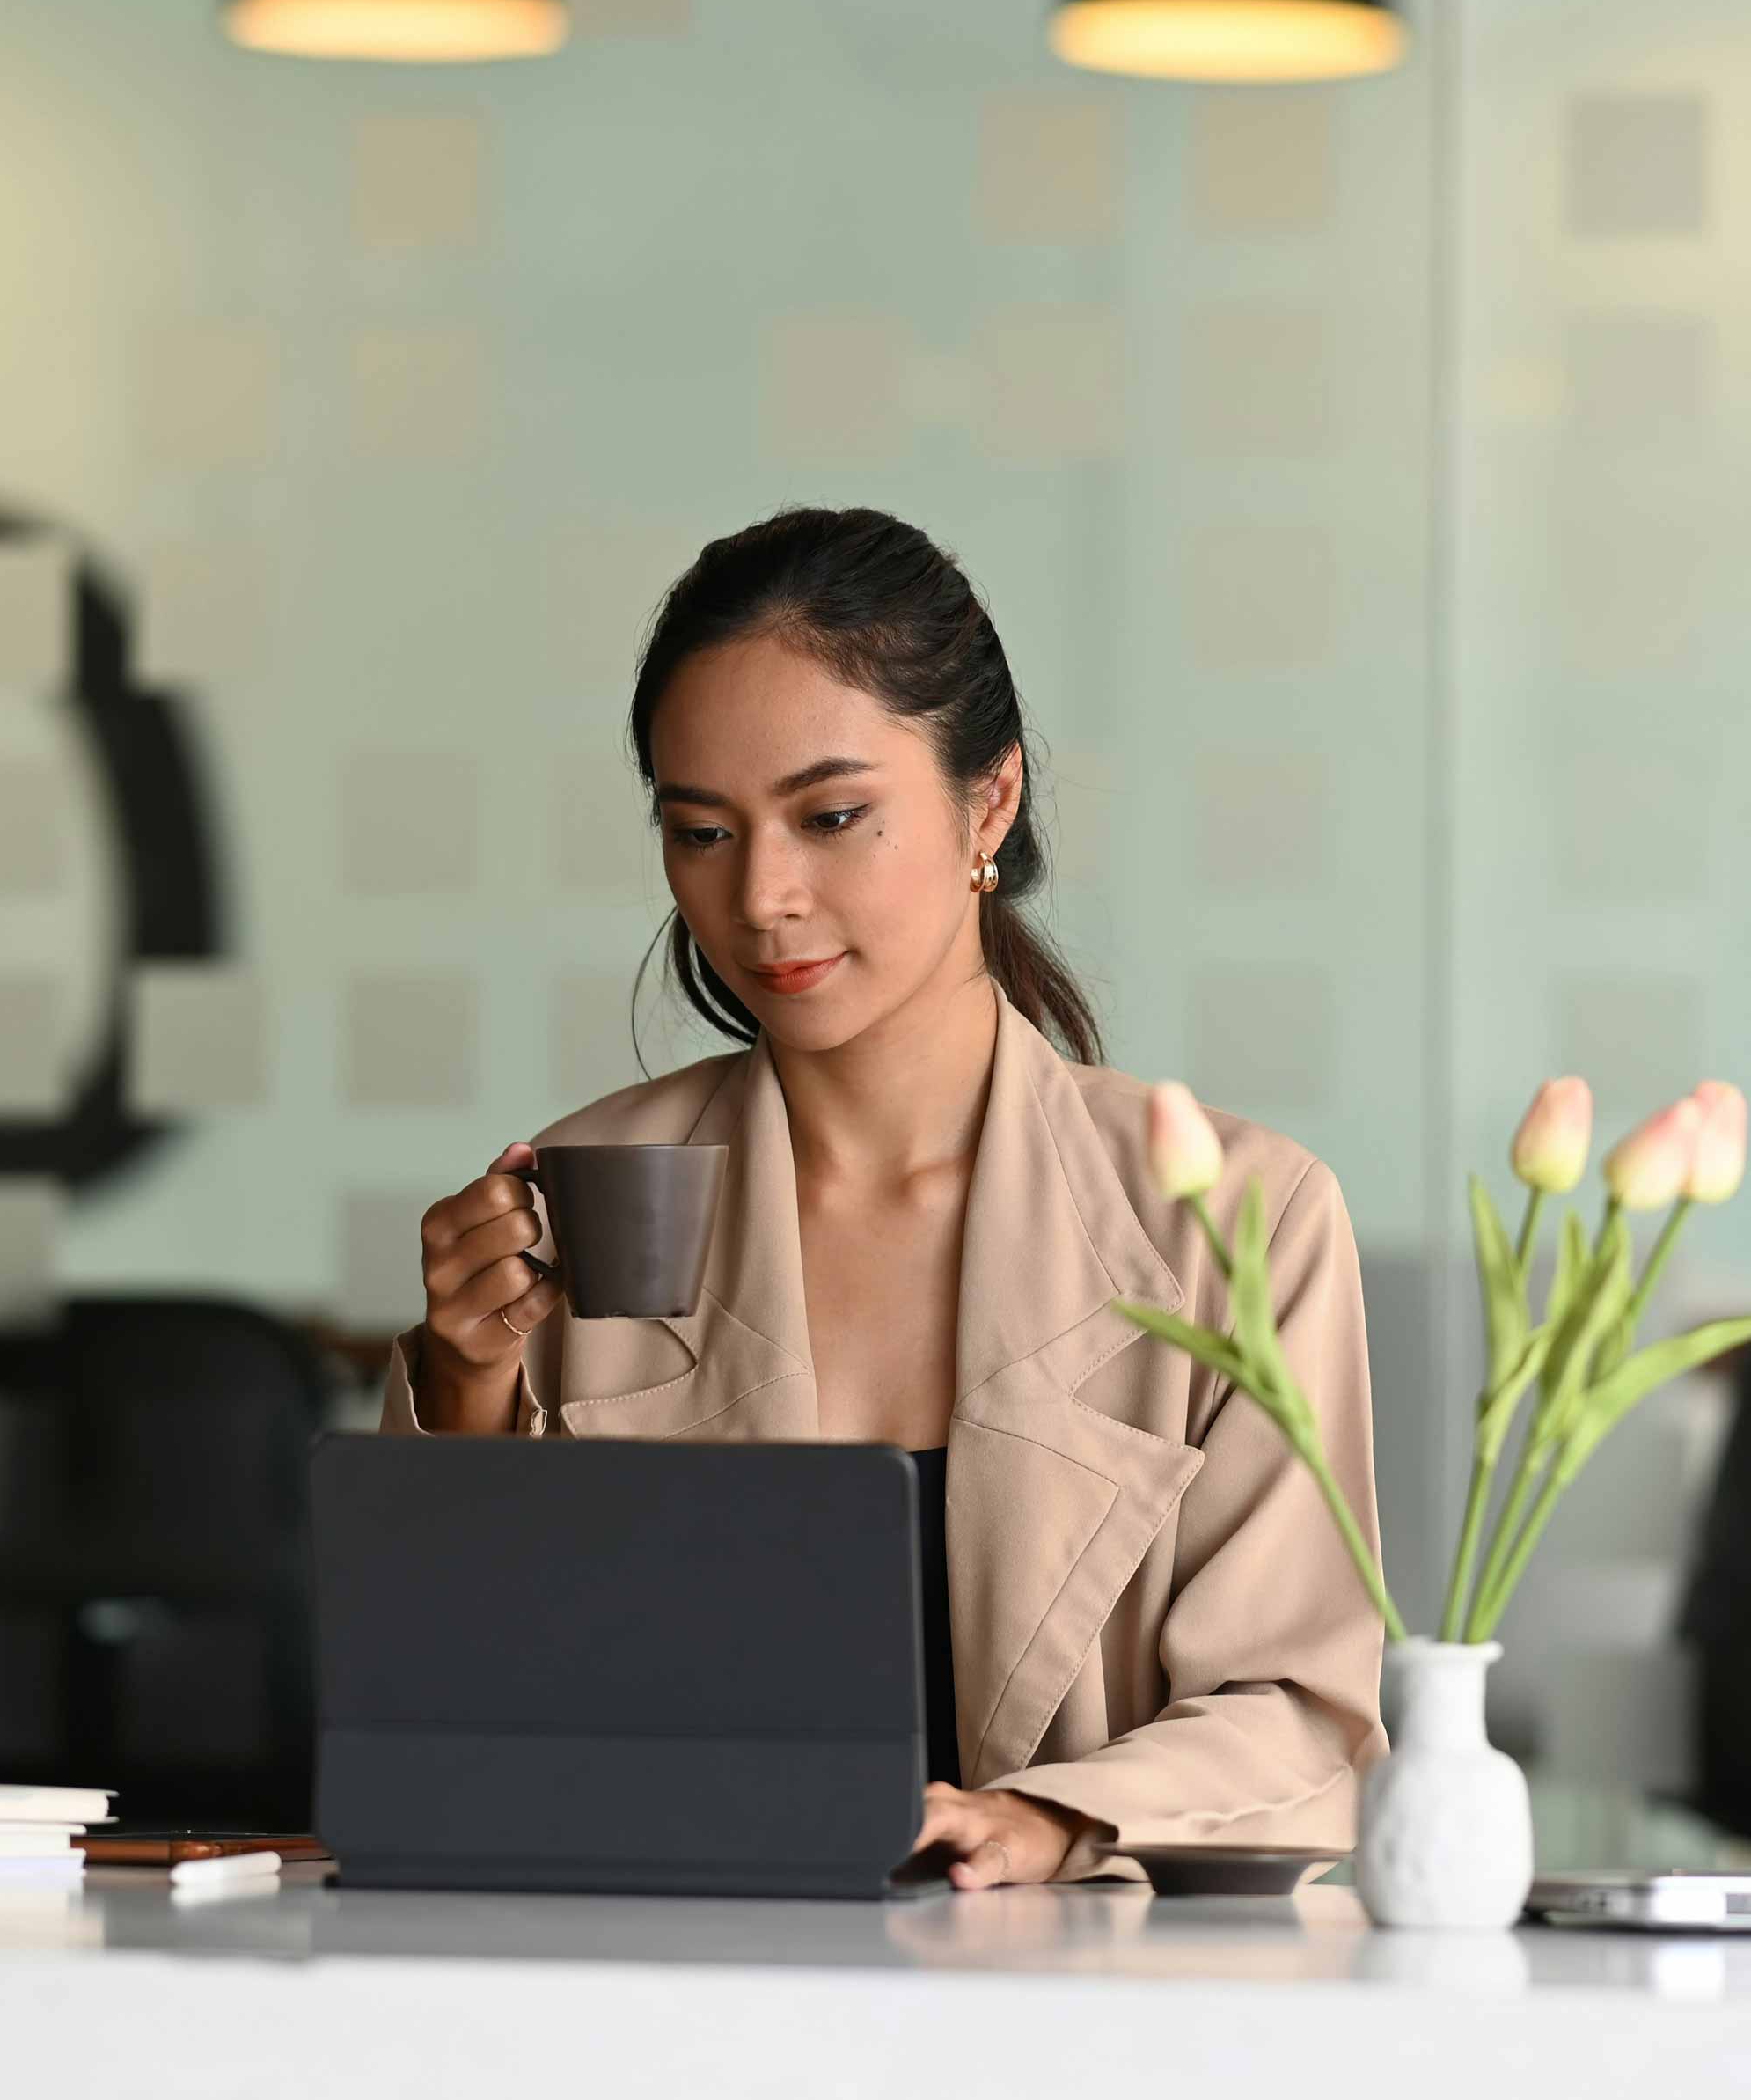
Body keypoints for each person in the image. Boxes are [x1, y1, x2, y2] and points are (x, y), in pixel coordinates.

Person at [389, 506, 1385, 1890]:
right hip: (671, 2001)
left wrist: (1055, 1821)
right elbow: (453, 1726)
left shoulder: (1230, 1219)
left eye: (832, 816)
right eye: (701, 832)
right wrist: (461, 1393)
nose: (762, 898)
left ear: (991, 800)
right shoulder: (578, 1202)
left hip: (1086, 2018)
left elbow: (1302, 1716)